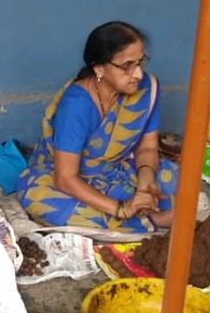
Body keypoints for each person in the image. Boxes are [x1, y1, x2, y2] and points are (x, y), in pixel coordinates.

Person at [17, 21, 178, 232]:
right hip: (68, 178)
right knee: (40, 199)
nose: (138, 74)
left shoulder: (146, 89)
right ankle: (148, 220)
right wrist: (121, 209)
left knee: (177, 180)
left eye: (140, 62)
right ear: (99, 68)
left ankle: (138, 215)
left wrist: (145, 181)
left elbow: (147, 148)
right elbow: (65, 178)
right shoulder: (77, 103)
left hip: (117, 169)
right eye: (127, 66)